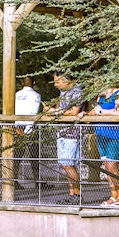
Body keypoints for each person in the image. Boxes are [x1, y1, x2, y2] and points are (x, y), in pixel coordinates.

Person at [43, 71, 84, 204]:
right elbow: (60, 108)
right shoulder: (63, 91)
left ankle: (77, 195)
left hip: (72, 132)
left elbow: (73, 112)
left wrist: (54, 112)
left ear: (66, 81)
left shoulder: (77, 91)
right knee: (65, 165)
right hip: (61, 130)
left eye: (57, 82)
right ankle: (71, 194)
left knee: (68, 164)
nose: (55, 85)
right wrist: (52, 109)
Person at [88, 87, 119, 207]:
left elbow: (118, 112)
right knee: (106, 165)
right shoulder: (100, 96)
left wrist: (100, 112)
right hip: (100, 133)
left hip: (115, 134)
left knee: (112, 164)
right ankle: (113, 195)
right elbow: (93, 111)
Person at [14, 76, 53, 190]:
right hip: (30, 127)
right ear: (34, 83)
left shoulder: (16, 94)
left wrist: (17, 127)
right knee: (34, 156)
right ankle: (37, 181)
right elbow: (34, 113)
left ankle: (14, 180)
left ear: (22, 83)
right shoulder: (36, 95)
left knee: (16, 156)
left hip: (18, 127)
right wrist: (28, 130)